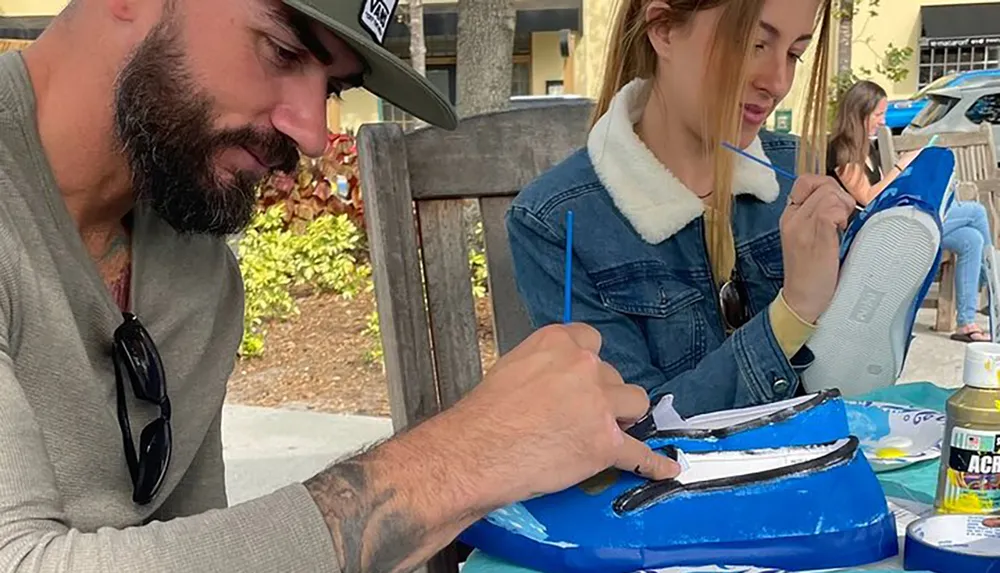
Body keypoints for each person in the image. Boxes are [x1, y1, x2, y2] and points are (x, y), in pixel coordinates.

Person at [0, 0, 681, 571]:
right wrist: (465, 457)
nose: (314, 132)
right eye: (281, 50)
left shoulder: (197, 274)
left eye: (329, 87)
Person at [506, 0, 854, 418]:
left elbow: (853, 386)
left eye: (795, 53)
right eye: (753, 44)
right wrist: (793, 311)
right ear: (664, 29)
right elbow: (638, 433)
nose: (777, 81)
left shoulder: (794, 173)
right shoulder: (557, 224)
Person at [829, 80, 993, 343]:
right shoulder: (841, 150)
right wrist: (902, 166)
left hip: (893, 224)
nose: (883, 121)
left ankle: (967, 323)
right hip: (874, 236)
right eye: (878, 114)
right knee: (974, 212)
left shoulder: (866, 148)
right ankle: (993, 290)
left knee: (971, 239)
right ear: (860, 112)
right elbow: (869, 199)